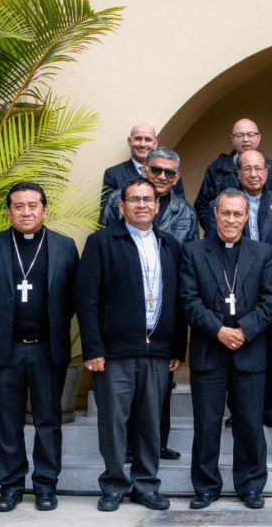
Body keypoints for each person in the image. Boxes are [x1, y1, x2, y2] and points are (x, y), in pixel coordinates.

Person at [75, 178, 187, 512]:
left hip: (158, 353)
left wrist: (177, 348)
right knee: (113, 422)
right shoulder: (102, 242)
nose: (141, 205)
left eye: (147, 199)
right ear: (121, 206)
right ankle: (112, 485)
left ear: (157, 205)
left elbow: (180, 301)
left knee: (151, 424)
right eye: (133, 199)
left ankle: (146, 486)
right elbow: (87, 299)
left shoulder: (170, 245)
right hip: (114, 354)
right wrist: (93, 348)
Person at [0, 183, 79, 512]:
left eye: (33, 205)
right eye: (19, 206)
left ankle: (45, 486)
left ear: (45, 210)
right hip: (6, 349)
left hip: (48, 349)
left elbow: (74, 298)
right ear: (8, 211)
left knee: (48, 421)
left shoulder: (64, 246)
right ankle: (11, 487)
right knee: (7, 422)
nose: (26, 212)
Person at [180, 189, 272, 510]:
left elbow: (269, 301)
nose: (231, 220)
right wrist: (218, 330)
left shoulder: (263, 252)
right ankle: (206, 487)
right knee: (207, 424)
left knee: (249, 423)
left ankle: (250, 485)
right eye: (225, 213)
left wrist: (243, 331)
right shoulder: (193, 252)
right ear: (215, 215)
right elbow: (189, 302)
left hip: (250, 353)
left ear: (246, 217)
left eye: (238, 214)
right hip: (209, 351)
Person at [101, 146, 196, 461]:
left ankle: (156, 446)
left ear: (176, 177)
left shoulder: (185, 212)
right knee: (122, 400)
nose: (162, 177)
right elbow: (106, 249)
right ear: (144, 170)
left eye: (169, 172)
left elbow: (189, 266)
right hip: (124, 316)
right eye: (156, 170)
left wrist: (178, 340)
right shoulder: (120, 200)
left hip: (162, 316)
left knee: (159, 393)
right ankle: (126, 452)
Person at [205, 150, 272, 428]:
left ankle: (271, 408)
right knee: (236, 351)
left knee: (269, 353)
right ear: (238, 173)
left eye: (259, 168)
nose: (253, 174)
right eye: (247, 168)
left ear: (267, 173)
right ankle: (239, 410)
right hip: (233, 292)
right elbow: (213, 248)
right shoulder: (218, 206)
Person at [193, 118, 272, 231]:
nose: (245, 140)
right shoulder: (217, 168)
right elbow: (202, 206)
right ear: (232, 139)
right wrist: (217, 230)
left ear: (259, 138)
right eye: (240, 135)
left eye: (250, 134)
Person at [101, 122, 184, 206]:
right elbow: (108, 211)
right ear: (129, 141)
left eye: (148, 139)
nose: (142, 144)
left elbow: (180, 210)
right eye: (138, 138)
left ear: (155, 144)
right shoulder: (113, 174)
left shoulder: (171, 175)